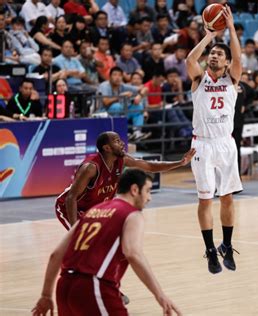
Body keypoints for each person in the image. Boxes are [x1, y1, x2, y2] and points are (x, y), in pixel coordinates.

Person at [33, 168, 182, 316]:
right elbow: (133, 254)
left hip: (64, 286)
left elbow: (55, 255)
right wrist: (159, 294)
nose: (149, 198)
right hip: (93, 286)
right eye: (148, 191)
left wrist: (46, 295)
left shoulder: (93, 211)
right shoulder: (132, 214)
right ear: (135, 190)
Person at [185, 5, 242, 274]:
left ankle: (226, 245)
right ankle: (209, 250)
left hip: (226, 143)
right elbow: (189, 60)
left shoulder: (232, 79)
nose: (215, 55)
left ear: (228, 62)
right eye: (213, 53)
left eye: (220, 53)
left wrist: (230, 28)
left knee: (228, 198)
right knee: (205, 200)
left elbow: (239, 58)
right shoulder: (199, 79)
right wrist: (209, 36)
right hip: (203, 144)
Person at [55, 131, 195, 230]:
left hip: (95, 208)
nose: (122, 143)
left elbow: (150, 166)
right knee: (82, 240)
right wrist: (75, 231)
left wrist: (180, 163)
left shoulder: (123, 159)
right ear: (107, 148)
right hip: (71, 207)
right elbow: (71, 198)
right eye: (116, 141)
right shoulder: (91, 168)